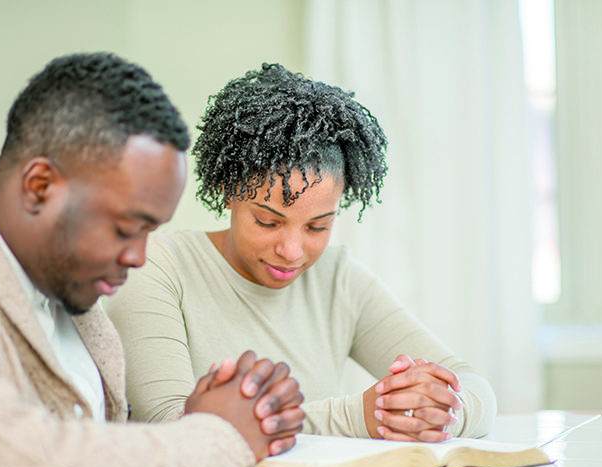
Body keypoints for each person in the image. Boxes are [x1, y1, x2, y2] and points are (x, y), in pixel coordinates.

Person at [0, 53, 306, 467]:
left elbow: (93, 463)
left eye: (150, 231)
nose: (138, 256)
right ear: (39, 186)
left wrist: (203, 419)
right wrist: (217, 436)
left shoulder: (64, 283)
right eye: (124, 228)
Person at [106, 63, 497, 443]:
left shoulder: (338, 280)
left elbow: (474, 387)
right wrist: (356, 417)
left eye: (317, 227)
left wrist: (440, 410)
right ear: (228, 190)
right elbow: (171, 426)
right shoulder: (158, 266)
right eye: (267, 221)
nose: (291, 252)